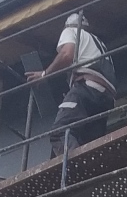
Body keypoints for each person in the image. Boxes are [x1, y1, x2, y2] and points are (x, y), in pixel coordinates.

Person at [27, 11, 117, 158]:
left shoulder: (71, 31)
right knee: (90, 143)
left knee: (60, 132)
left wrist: (45, 74)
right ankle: (87, 166)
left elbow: (67, 54)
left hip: (87, 87)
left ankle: (75, 166)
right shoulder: (98, 43)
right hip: (106, 98)